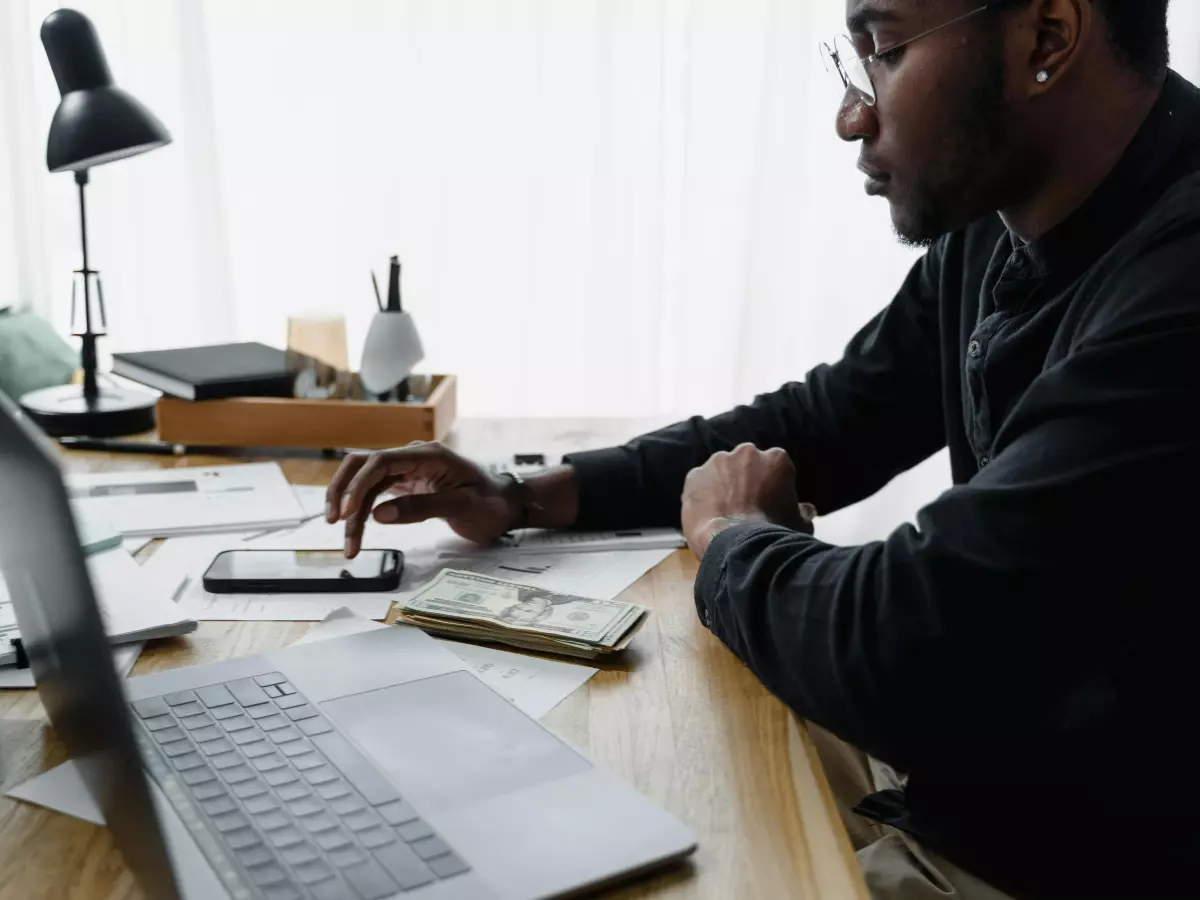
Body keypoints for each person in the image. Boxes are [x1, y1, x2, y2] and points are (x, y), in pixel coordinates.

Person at [328, 1, 1200, 897]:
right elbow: (830, 420)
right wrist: (522, 496)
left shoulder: (1178, 283)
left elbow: (908, 642)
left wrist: (735, 536)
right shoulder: (1007, 219)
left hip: (1070, 854)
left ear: (1048, 38)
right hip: (979, 776)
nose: (851, 114)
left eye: (883, 53)